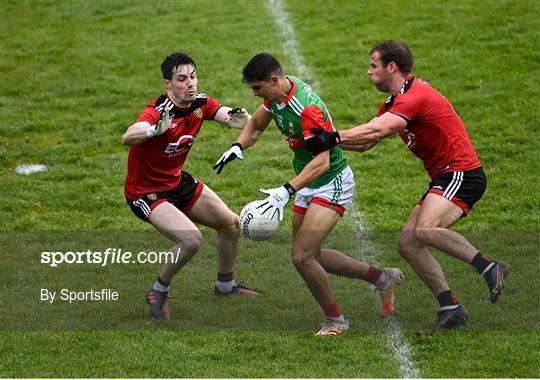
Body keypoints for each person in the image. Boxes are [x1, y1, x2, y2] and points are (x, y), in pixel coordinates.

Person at [305, 40, 509, 329]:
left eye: (373, 65)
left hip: (461, 173)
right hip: (444, 176)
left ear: (391, 66)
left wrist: (333, 137)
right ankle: (450, 306)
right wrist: (320, 142)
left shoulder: (414, 95)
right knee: (408, 244)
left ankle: (489, 266)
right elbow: (368, 141)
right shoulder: (395, 100)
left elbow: (380, 128)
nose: (368, 71)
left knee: (426, 229)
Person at [213, 52, 403, 336]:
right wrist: (238, 146)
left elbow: (322, 161)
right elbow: (255, 125)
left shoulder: (307, 109)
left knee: (301, 257)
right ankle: (383, 277)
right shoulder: (277, 95)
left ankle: (335, 320)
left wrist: (286, 190)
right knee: (314, 255)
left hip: (330, 181)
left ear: (274, 80)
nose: (255, 95)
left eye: (257, 88)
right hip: (307, 181)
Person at [122, 52, 259, 320]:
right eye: (182, 79)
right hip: (146, 192)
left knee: (230, 224)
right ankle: (158, 291)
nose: (190, 84)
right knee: (190, 239)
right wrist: (153, 131)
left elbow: (224, 114)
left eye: (193, 77)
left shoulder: (199, 103)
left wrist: (238, 118)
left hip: (175, 180)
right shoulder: (157, 112)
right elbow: (129, 135)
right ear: (168, 84)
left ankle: (225, 286)